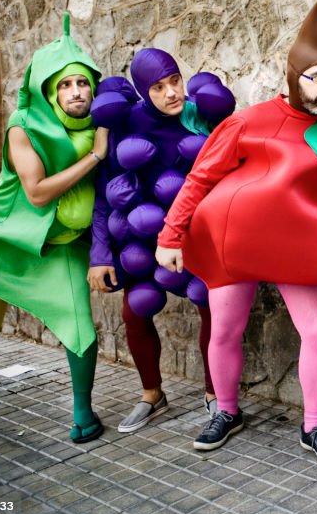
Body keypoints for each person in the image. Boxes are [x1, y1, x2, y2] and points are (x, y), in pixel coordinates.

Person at [155, 0, 317, 466]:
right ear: (295, 76)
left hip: (298, 248)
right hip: (236, 244)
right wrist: (170, 236)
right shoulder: (247, 123)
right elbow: (200, 179)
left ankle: (314, 425)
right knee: (226, 330)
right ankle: (225, 411)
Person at [0, 15, 108, 449]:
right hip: (6, 240)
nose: (76, 92)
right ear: (50, 90)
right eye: (65, 85)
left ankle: (83, 413)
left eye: (83, 83)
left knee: (79, 326)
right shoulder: (23, 125)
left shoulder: (103, 124)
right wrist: (94, 157)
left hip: (63, 243)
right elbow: (34, 193)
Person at [88, 49, 235, 433]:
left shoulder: (199, 116)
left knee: (211, 308)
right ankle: (151, 394)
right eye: (157, 87)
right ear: (142, 90)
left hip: (195, 233)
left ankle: (215, 395)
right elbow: (104, 196)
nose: (171, 92)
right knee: (135, 311)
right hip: (139, 234)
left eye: (174, 81)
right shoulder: (125, 123)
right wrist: (99, 254)